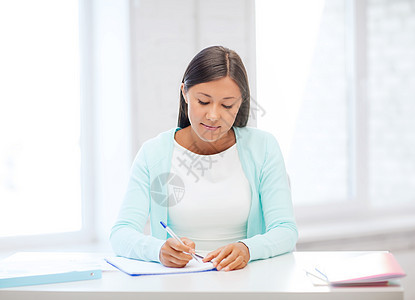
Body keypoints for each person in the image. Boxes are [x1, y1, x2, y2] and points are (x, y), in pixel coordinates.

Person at [110, 45, 298, 272]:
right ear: (185, 93)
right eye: (203, 101)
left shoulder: (263, 148)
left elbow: (286, 230)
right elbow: (121, 233)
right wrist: (158, 250)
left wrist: (248, 248)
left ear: (240, 103)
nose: (213, 115)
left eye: (227, 105)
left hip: (246, 283)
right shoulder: (154, 154)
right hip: (176, 285)